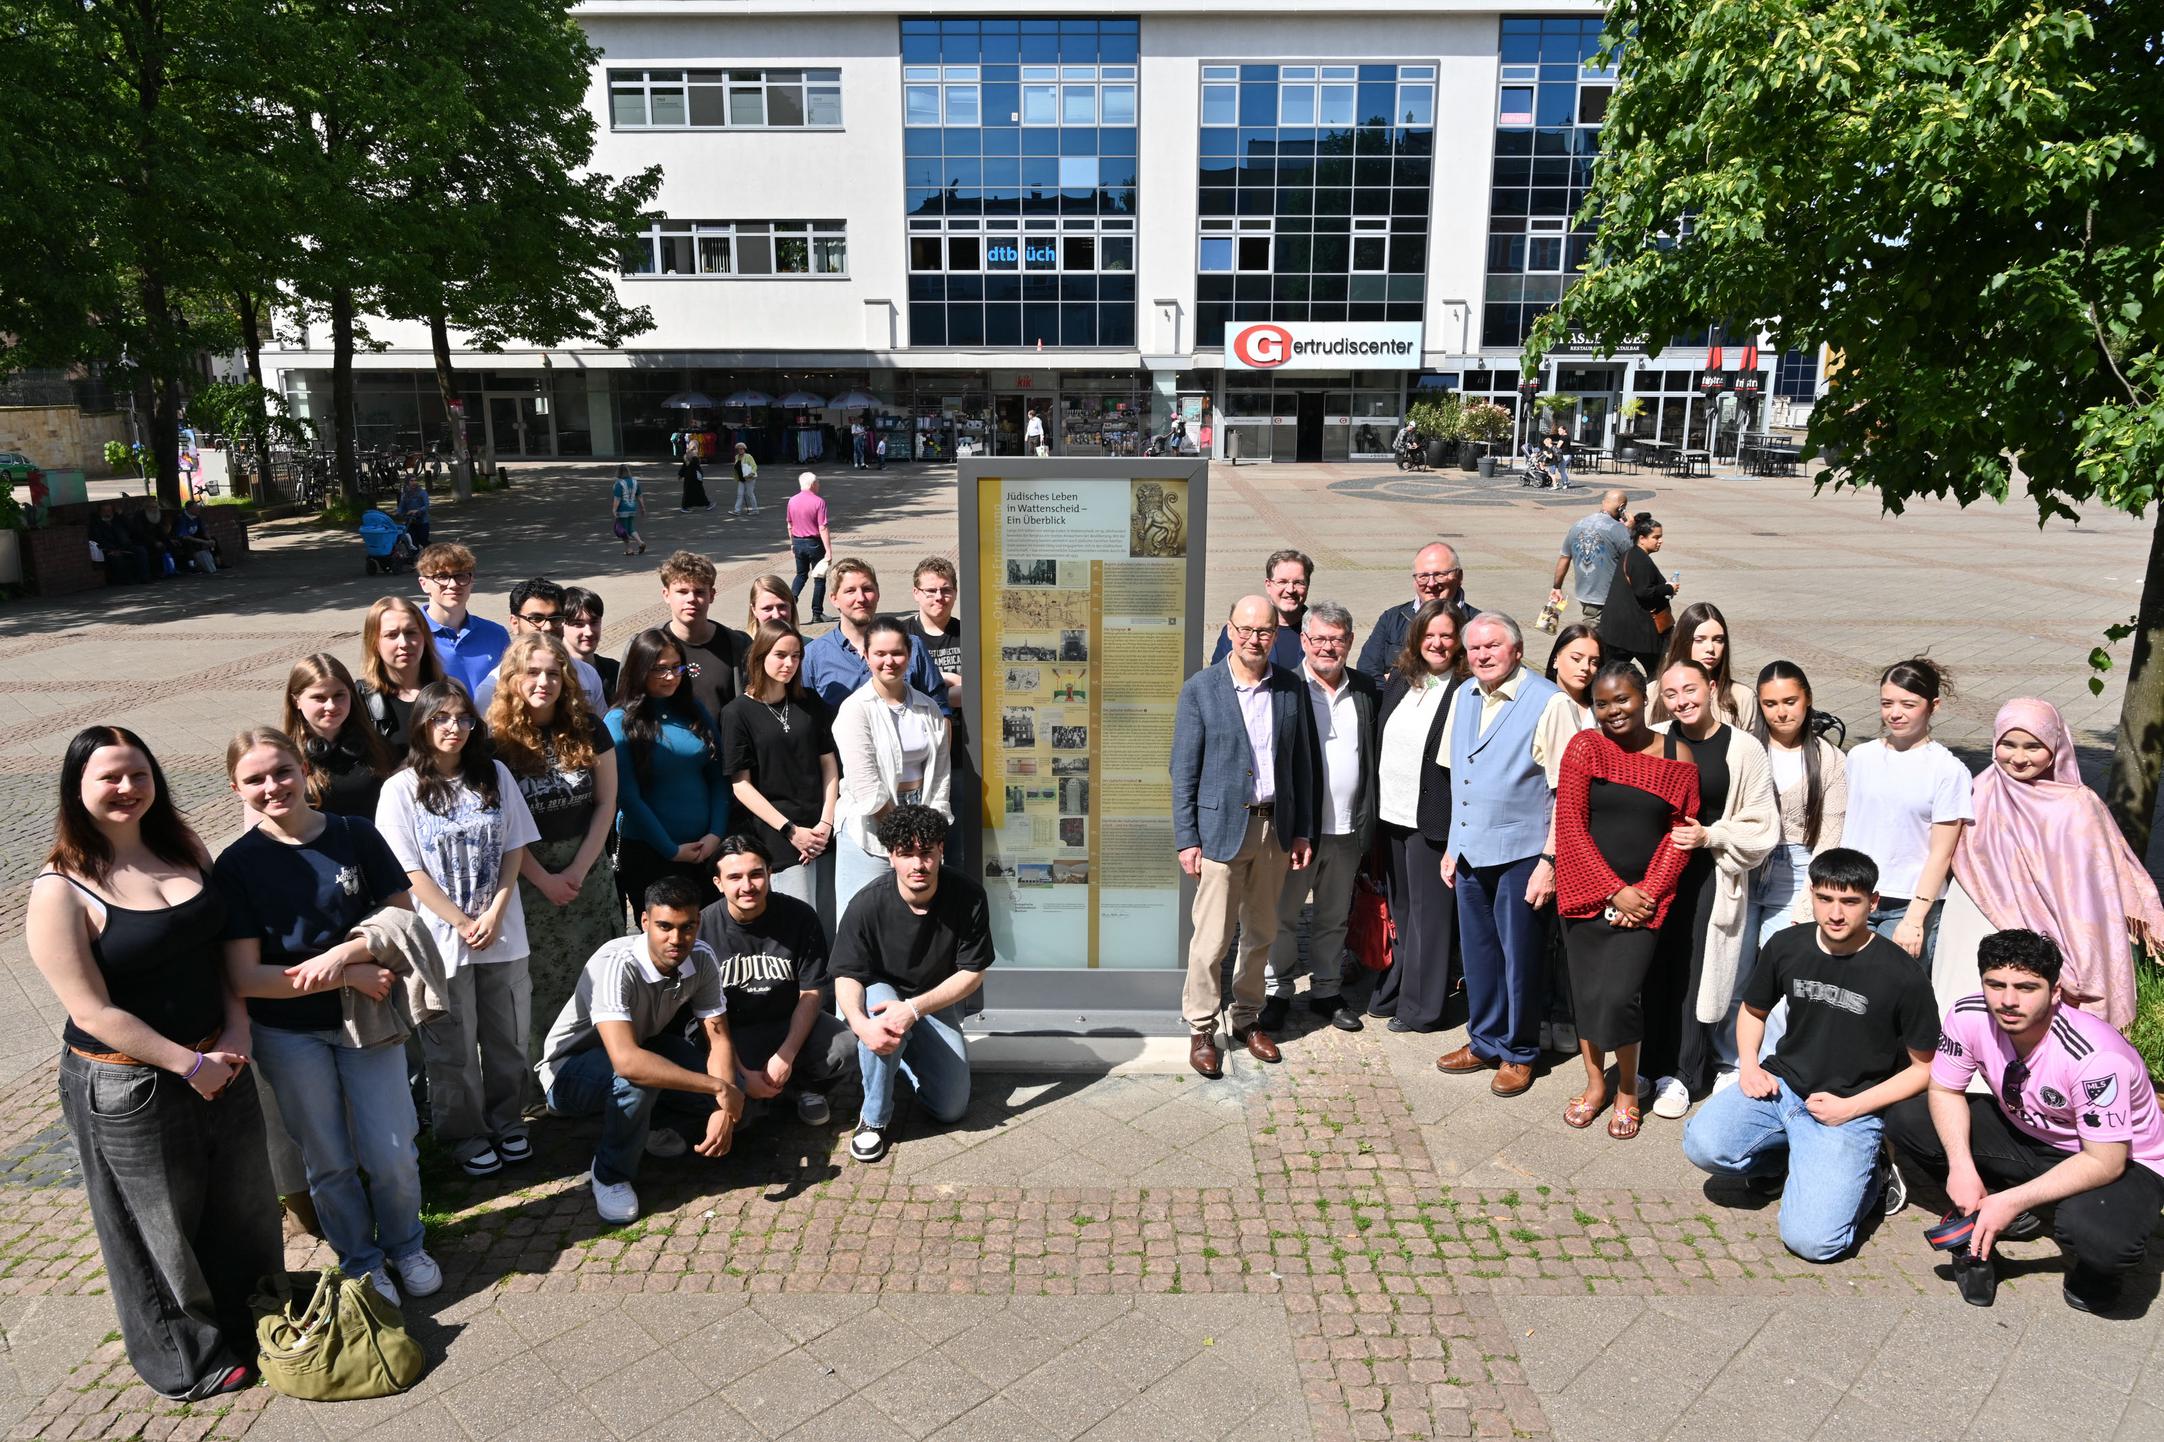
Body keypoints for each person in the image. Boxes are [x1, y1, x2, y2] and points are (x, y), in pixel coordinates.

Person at [27, 727, 280, 1402]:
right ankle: (187, 1356)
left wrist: (236, 1028)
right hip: (128, 1081)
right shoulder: (60, 888)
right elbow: (92, 1009)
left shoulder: (184, 846)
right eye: (109, 777)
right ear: (76, 789)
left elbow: (219, 948)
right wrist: (187, 1065)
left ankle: (255, 1317)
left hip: (220, 1055)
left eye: (138, 774)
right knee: (155, 1228)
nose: (127, 788)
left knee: (245, 1205)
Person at [214, 728, 437, 1306]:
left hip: (367, 1019)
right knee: (329, 1160)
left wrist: (344, 954)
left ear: (302, 769)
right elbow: (246, 977)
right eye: (255, 779)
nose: (272, 786)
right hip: (288, 1033)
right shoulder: (237, 865)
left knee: (392, 1151)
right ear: (236, 788)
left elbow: (400, 919)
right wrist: (345, 973)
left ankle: (407, 1244)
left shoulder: (354, 834)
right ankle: (362, 1260)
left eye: (281, 771)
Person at [1884, 929, 2164, 1314]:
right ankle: (1989, 1211)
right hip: (2029, 1131)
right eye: (1995, 985)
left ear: (2055, 991)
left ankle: (2093, 1267)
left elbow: (2106, 1161)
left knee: (2100, 1237)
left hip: (2118, 1157)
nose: (2008, 1001)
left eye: (2026, 987)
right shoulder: (1967, 1016)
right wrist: (1961, 1167)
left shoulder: (2095, 1057)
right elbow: (1945, 1091)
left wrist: (2011, 1201)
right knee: (1907, 1118)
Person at [1682, 848, 1937, 1262]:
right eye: (1825, 898)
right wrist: (1749, 1066)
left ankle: (1873, 1172)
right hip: (1782, 1086)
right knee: (1703, 1144)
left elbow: (1925, 1068)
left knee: (1814, 1243)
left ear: (1873, 903)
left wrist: (1852, 1107)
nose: (1835, 913)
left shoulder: (1902, 974)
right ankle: (1780, 1162)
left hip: (1850, 1107)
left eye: (1850, 901)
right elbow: (1753, 1011)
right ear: (1812, 895)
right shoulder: (1788, 945)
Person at [374, 683, 541, 1178]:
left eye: (464, 718)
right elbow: (408, 869)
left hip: (502, 931)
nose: (454, 728)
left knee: (509, 1036)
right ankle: (466, 1134)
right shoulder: (400, 789)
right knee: (453, 1045)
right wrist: (462, 921)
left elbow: (514, 847)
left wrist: (495, 912)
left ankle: (509, 1120)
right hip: (441, 941)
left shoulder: (495, 774)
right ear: (422, 724)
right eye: (441, 718)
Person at [1933, 699, 2164, 1029]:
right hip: (1977, 912)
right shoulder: (1977, 790)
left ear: (2055, 747)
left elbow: (2094, 886)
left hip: (2055, 923)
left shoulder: (2078, 804)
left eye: (2033, 746)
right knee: (1968, 1005)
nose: (2019, 757)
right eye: (2008, 744)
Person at [536, 876, 742, 1223]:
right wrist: (718, 1088)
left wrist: (724, 1105)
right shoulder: (616, 963)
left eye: (687, 927)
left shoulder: (702, 957)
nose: (676, 939)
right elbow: (627, 1062)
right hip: (570, 1071)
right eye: (664, 926)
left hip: (643, 1047)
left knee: (739, 1098)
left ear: (698, 923)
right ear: (644, 922)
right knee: (638, 1082)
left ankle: (645, 1126)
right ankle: (609, 1174)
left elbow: (719, 1039)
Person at [1171, 595, 1318, 1078]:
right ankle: (1201, 1027)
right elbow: (1183, 770)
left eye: (1265, 631)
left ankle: (1247, 1017)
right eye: (1246, 630)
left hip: (1275, 830)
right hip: (1220, 830)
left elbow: (1302, 766)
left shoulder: (1291, 687)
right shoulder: (1201, 688)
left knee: (1261, 933)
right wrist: (1187, 838)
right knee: (1212, 938)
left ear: (1276, 634)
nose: (1255, 639)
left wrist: (1302, 831)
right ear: (1230, 630)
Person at [1554, 664, 1700, 1139]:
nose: (1613, 710)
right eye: (1602, 703)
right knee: (1588, 995)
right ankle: (1595, 1084)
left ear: (1644, 698)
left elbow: (1680, 831)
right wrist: (1612, 889)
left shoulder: (1678, 756)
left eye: (1623, 699)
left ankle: (1628, 1089)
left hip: (1644, 901)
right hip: (1585, 892)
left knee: (1621, 998)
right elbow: (1571, 825)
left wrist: (1647, 893)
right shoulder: (1585, 747)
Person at [1435, 613, 1572, 1097]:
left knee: (1520, 959)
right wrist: (1453, 846)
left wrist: (1550, 863)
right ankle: (1485, 1039)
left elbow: (1567, 792)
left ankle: (1520, 1051)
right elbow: (1459, 777)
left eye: (1492, 646)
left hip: (1523, 855)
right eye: (1474, 648)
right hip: (1471, 852)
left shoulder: (1549, 702)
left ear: (1516, 650)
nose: (1482, 655)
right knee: (1479, 956)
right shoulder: (1464, 695)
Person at [1642, 658, 1778, 1118]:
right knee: (1653, 967)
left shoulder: (1743, 748)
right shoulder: (1655, 738)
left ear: (1712, 687)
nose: (1682, 701)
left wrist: (1711, 835)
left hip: (1711, 876)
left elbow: (1763, 826)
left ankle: (1684, 1074)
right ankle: (1648, 1064)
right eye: (1671, 693)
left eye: (1690, 690)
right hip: (1657, 874)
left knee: (1697, 973)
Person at [830, 805, 993, 1163]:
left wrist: (914, 1009)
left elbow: (973, 973)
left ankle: (898, 1057)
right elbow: (847, 975)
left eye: (926, 852)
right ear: (891, 856)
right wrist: (861, 1026)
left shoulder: (968, 896)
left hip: (932, 1000)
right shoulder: (867, 903)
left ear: (941, 850)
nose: (918, 864)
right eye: (906, 854)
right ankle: (873, 1119)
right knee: (883, 1024)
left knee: (950, 1108)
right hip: (881, 993)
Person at [486, 633, 622, 1057]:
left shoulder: (589, 729)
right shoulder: (494, 743)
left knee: (597, 977)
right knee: (536, 985)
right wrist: (544, 879)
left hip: (587, 873)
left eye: (552, 674)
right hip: (527, 879)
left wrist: (578, 870)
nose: (543, 682)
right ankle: (540, 1075)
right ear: (513, 678)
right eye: (532, 673)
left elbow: (606, 802)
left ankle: (602, 1067)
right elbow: (499, 826)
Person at [1726, 661, 1848, 1073]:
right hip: (1745, 867)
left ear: (1807, 699)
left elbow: (1831, 833)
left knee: (1783, 973)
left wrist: (1809, 899)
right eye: (1771, 703)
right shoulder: (1745, 749)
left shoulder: (1829, 759)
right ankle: (1730, 1060)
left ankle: (1770, 1061)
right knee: (1734, 970)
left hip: (1799, 869)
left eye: (1790, 701)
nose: (1781, 712)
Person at [1264, 602, 1378, 1035]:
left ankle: (1327, 991)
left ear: (1350, 642)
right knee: (1283, 917)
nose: (1328, 647)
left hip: (1348, 829)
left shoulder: (1365, 689)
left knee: (1333, 918)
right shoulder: (1284, 687)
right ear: (1304, 641)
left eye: (1337, 639)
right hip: (1300, 831)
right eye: (1319, 638)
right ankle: (1277, 991)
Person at [698, 837, 854, 1125]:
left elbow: (812, 991)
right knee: (738, 1117)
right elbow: (705, 1016)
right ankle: (763, 1095)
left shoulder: (800, 916)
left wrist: (786, 1055)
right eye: (735, 877)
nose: (747, 886)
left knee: (845, 1046)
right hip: (733, 1033)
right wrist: (740, 1072)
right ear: (718, 883)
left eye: (756, 874)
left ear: (770, 873)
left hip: (787, 1021)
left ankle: (804, 1088)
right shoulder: (702, 928)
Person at [1370, 601, 1470, 1033]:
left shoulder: (1466, 688)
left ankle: (1422, 1009)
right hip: (1392, 813)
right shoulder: (1403, 679)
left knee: (1430, 918)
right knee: (1403, 909)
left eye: (1447, 635)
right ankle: (1400, 985)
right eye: (1430, 635)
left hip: (1432, 817)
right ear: (1416, 638)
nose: (1438, 643)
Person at [1841, 658, 1971, 967]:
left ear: (1933, 706)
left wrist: (1914, 919)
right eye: (1887, 703)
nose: (1895, 713)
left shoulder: (1947, 769)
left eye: (1908, 704)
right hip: (1854, 895)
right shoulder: (1860, 757)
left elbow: (1942, 852)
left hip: (1908, 904)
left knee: (1893, 989)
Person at [832, 616, 953, 915]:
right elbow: (866, 784)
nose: (889, 661)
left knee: (917, 915)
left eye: (897, 653)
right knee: (862, 916)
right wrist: (904, 837)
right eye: (880, 654)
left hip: (921, 822)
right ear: (866, 655)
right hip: (870, 827)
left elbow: (940, 775)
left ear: (909, 655)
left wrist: (928, 833)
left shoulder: (928, 707)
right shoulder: (855, 710)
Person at [606, 628, 731, 914]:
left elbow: (718, 776)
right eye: (660, 669)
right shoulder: (619, 720)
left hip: (704, 849)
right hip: (650, 853)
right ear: (639, 670)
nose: (671, 676)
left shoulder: (693, 709)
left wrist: (715, 833)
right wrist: (670, 850)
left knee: (710, 930)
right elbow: (628, 796)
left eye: (677, 667)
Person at [722, 623, 840, 909]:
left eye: (796, 656)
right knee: (797, 916)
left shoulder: (809, 701)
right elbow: (741, 785)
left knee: (831, 919)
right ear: (761, 655)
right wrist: (791, 830)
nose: (789, 663)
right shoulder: (737, 712)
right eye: (780, 655)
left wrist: (826, 823)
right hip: (779, 836)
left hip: (822, 831)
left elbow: (829, 765)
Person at [802, 558, 947, 713]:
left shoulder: (912, 646)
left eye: (867, 589)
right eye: (850, 591)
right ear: (834, 599)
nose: (861, 598)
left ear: (878, 594)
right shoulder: (814, 656)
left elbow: (940, 709)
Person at [901, 557, 973, 864]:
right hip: (914, 760)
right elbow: (904, 693)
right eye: (930, 591)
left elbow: (983, 692)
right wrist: (953, 683)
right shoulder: (903, 636)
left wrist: (937, 683)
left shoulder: (969, 632)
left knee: (957, 843)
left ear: (955, 593)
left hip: (962, 755)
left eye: (946, 590)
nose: (938, 597)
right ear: (916, 593)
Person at [279, 653, 393, 820]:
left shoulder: (376, 744)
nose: (331, 706)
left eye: (339, 695)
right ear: (296, 701)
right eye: (319, 698)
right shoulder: (281, 756)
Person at [473, 578, 608, 713]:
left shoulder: (587, 674)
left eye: (555, 618)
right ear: (515, 623)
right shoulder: (492, 689)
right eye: (536, 619)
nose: (548, 627)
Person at [651, 550, 749, 723]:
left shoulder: (738, 645)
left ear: (712, 595)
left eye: (699, 592)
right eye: (682, 591)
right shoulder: (645, 646)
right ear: (666, 595)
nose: (691, 599)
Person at [1359, 543, 1479, 679]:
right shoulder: (1392, 618)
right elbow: (1367, 670)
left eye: (1440, 575)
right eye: (1423, 576)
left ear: (1459, 576)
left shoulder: (1479, 624)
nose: (1431, 583)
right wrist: (1393, 688)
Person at [416, 543, 511, 700]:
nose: (453, 584)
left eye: (461, 575)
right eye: (442, 576)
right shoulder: (410, 635)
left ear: (471, 580)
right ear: (424, 584)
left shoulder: (496, 635)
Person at [358, 595, 449, 751]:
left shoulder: (449, 690)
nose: (404, 643)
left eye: (411, 632)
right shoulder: (360, 699)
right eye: (391, 635)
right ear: (374, 643)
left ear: (424, 638)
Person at [1594, 513, 1676, 679]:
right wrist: (1668, 588)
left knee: (1610, 673)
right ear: (1642, 539)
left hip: (1617, 632)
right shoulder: (1640, 560)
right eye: (1656, 537)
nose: (1660, 541)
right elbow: (1643, 592)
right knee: (1656, 673)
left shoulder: (1629, 554)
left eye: (1660, 537)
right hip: (1638, 634)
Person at [1650, 602, 1756, 728]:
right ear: (1683, 642)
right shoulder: (1652, 693)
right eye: (1699, 640)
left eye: (1718, 640)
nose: (1710, 648)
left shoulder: (1742, 696)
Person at [1210, 549, 1312, 669]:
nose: (1290, 590)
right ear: (1268, 585)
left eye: (1298, 582)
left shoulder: (1321, 631)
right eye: (1282, 582)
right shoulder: (1240, 630)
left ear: (1307, 586)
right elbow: (1217, 676)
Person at [1542, 624, 1604, 744]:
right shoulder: (1537, 705)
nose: (1585, 667)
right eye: (1576, 658)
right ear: (1555, 659)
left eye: (1594, 662)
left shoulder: (1600, 712)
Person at [787, 472, 834, 622]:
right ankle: (817, 613)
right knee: (819, 578)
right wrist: (828, 550)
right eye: (818, 482)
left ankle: (790, 603)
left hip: (798, 542)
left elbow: (789, 525)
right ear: (813, 484)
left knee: (801, 575)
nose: (819, 485)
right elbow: (822, 527)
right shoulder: (819, 502)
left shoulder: (792, 500)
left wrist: (792, 543)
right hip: (814, 543)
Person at [562, 586, 618, 700]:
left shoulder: (615, 671)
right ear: (561, 625)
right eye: (578, 624)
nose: (589, 632)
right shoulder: (554, 674)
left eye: (594, 622)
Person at [89, 502, 151, 584]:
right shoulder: (96, 524)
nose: (107, 513)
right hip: (109, 549)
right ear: (100, 512)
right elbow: (98, 539)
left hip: (125, 546)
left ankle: (145, 577)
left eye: (109, 511)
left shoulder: (118, 520)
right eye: (104, 511)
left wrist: (122, 515)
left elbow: (131, 529)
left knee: (141, 550)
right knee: (117, 558)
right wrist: (111, 549)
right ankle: (127, 580)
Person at [610, 465, 646, 556]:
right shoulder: (635, 482)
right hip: (632, 508)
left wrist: (614, 509)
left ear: (619, 472)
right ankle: (640, 542)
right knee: (630, 528)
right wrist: (642, 507)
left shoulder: (619, 484)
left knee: (623, 530)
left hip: (622, 509)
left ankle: (629, 549)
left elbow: (617, 498)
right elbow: (639, 496)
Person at [678, 426, 712, 511]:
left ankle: (705, 504)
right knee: (697, 491)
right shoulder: (694, 455)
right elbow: (694, 467)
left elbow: (684, 466)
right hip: (694, 477)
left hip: (690, 477)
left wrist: (680, 475)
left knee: (692, 492)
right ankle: (686, 507)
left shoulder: (687, 454)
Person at [394, 475, 431, 548]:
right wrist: (398, 513)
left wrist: (417, 510)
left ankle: (432, 552)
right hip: (410, 521)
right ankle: (415, 554)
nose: (414, 482)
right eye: (411, 481)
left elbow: (426, 506)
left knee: (423, 541)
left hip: (422, 521)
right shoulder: (405, 494)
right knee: (413, 542)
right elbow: (401, 506)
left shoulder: (422, 492)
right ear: (407, 482)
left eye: (415, 480)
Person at [729, 442, 760, 515]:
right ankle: (737, 511)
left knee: (750, 494)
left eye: (741, 449)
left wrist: (752, 473)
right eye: (738, 449)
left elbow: (754, 466)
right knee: (739, 494)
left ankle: (755, 510)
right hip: (741, 478)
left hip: (749, 478)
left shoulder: (748, 456)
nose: (740, 450)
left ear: (744, 449)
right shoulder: (736, 457)